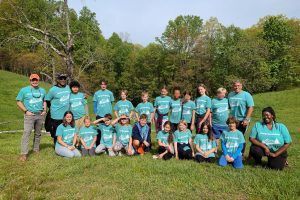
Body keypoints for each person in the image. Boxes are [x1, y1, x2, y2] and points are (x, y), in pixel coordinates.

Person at [16, 74, 47, 161]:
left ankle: (36, 149)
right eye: (33, 80)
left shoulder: (43, 90)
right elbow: (18, 101)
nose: (34, 81)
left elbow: (44, 100)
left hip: (40, 115)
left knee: (38, 134)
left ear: (38, 80)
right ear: (30, 80)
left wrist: (44, 110)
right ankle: (24, 154)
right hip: (30, 115)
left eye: (36, 80)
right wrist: (26, 111)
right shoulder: (24, 90)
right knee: (26, 133)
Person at [228, 80, 254, 154]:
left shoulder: (247, 95)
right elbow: (229, 107)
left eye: (238, 85)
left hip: (242, 120)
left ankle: (241, 154)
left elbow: (251, 107)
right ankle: (232, 152)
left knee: (240, 137)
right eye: (235, 86)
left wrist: (246, 119)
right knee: (232, 136)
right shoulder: (230, 95)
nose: (236, 87)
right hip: (233, 120)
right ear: (233, 86)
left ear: (241, 86)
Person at [45, 73, 71, 146]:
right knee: (57, 132)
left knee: (66, 131)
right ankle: (57, 147)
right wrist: (53, 108)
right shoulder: (53, 90)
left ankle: (65, 145)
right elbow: (47, 100)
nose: (63, 80)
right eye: (61, 78)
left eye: (64, 78)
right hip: (56, 115)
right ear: (57, 80)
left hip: (67, 116)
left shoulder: (68, 87)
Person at [93, 80, 114, 146]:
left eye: (104, 84)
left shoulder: (110, 93)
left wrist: (109, 112)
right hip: (100, 115)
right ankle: (99, 145)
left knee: (108, 131)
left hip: (108, 115)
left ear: (106, 85)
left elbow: (111, 103)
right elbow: (95, 104)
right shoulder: (97, 93)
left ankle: (109, 145)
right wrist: (96, 112)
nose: (103, 85)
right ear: (100, 85)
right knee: (99, 131)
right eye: (102, 84)